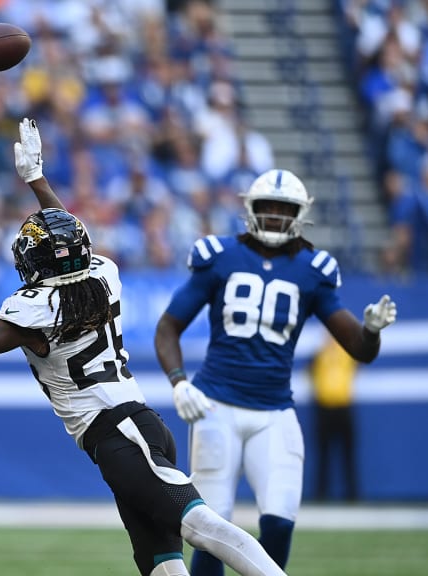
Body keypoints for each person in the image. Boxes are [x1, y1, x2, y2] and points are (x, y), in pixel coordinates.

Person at [0, 119, 288, 576]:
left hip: (120, 435)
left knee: (201, 526)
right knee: (162, 564)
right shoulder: (104, 275)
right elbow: (70, 239)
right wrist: (37, 180)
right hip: (134, 425)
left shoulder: (36, 310)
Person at [153, 168, 398, 575]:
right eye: (266, 206)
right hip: (217, 405)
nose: (273, 216)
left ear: (299, 214)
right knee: (212, 531)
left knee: (280, 523)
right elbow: (168, 327)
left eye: (283, 209)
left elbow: (358, 348)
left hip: (274, 410)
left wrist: (371, 330)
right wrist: (179, 382)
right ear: (250, 208)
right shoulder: (221, 257)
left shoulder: (312, 269)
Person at [308, 335, 359, 502]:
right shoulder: (318, 355)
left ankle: (352, 494)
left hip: (343, 407)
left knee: (347, 454)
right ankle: (321, 494)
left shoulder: (347, 354)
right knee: (324, 454)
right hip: (324, 408)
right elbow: (310, 373)